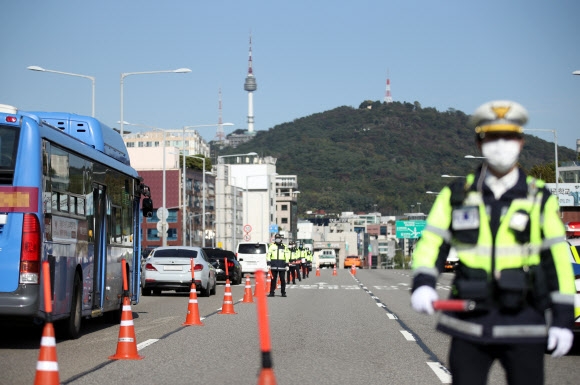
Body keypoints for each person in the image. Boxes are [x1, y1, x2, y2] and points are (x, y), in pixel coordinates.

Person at [410, 100, 575, 385]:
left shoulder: (538, 198)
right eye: (492, 137)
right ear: (479, 143)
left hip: (524, 322)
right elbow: (432, 243)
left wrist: (562, 319)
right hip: (469, 323)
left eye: (508, 137)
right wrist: (423, 282)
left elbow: (557, 260)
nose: (501, 145)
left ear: (521, 142)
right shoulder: (457, 195)